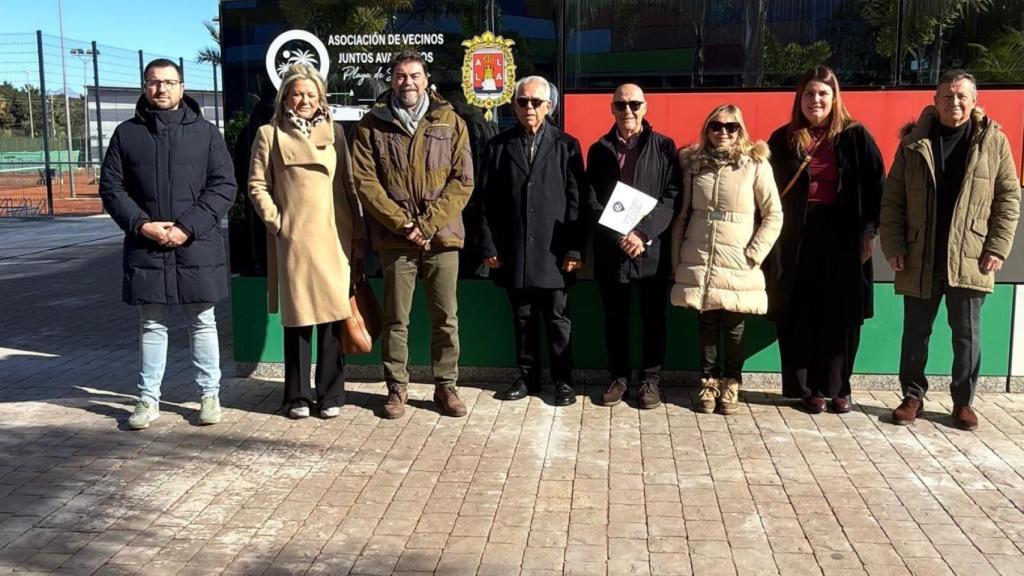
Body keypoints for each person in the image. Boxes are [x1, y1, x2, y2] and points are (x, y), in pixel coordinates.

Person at [99, 58, 236, 430]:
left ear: (182, 87)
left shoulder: (207, 133)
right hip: (147, 246)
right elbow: (111, 188)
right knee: (152, 325)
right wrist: (142, 225)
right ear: (145, 86)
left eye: (169, 82)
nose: (162, 89)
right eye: (154, 82)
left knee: (202, 322)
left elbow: (224, 185)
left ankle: (209, 395)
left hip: (196, 245)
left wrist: (187, 227)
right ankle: (147, 400)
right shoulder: (126, 134)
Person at [881, 70, 1020, 430]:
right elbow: (893, 199)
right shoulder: (913, 142)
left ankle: (963, 402)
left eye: (962, 96)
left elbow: (1008, 199)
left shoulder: (994, 142)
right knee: (915, 332)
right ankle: (912, 396)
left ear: (975, 101)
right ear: (935, 101)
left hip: (971, 254)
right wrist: (893, 244)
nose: (954, 102)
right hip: (920, 253)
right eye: (947, 96)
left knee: (967, 335)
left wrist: (998, 247)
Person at [351, 52, 474, 419]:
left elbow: (462, 180)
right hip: (395, 239)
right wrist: (403, 225)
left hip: (441, 237)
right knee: (395, 318)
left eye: (414, 75)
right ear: (391, 80)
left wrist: (427, 224)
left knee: (445, 317)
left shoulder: (450, 121)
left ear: (426, 79)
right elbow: (366, 182)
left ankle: (446, 386)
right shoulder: (372, 124)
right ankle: (396, 388)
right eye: (401, 76)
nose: (408, 82)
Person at [766, 66, 885, 415]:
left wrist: (870, 231)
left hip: (844, 237)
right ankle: (808, 389)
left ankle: (838, 388)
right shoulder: (783, 138)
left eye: (822, 94)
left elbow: (878, 186)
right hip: (795, 238)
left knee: (841, 314)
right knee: (800, 311)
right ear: (798, 99)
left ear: (834, 98)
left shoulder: (856, 136)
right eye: (808, 94)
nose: (815, 100)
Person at [248, 63, 364, 419]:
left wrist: (356, 233)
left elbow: (349, 183)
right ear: (285, 97)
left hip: (333, 238)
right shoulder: (269, 134)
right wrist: (278, 222)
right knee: (298, 321)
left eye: (311, 95)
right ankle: (296, 397)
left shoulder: (337, 133)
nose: (304, 100)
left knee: (332, 319)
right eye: (297, 93)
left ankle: (331, 395)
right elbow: (256, 185)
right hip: (295, 240)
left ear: (321, 98)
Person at [477, 75, 587, 407]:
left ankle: (563, 381)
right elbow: (485, 201)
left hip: (554, 253)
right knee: (522, 317)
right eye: (522, 101)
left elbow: (576, 202)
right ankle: (527, 378)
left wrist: (574, 248)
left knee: (557, 319)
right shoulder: (498, 145)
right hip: (514, 250)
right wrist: (489, 246)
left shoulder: (567, 146)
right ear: (513, 105)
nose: (528, 108)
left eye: (535, 102)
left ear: (549, 107)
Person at [672, 104, 782, 415]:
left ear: (740, 130)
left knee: (734, 325)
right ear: (706, 129)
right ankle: (707, 381)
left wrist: (755, 253)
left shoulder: (756, 164)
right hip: (700, 256)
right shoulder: (693, 164)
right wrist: (677, 258)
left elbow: (774, 214)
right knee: (706, 323)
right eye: (716, 126)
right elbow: (682, 215)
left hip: (738, 259)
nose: (723, 132)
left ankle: (731, 382)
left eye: (730, 127)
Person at [586, 84, 681, 409]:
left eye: (634, 104)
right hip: (612, 251)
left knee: (653, 319)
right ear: (611, 109)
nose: (628, 111)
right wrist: (619, 236)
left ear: (646, 107)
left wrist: (641, 234)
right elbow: (593, 200)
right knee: (615, 318)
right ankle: (619, 378)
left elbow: (671, 198)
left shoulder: (665, 148)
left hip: (650, 250)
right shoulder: (598, 149)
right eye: (621, 105)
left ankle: (650, 381)